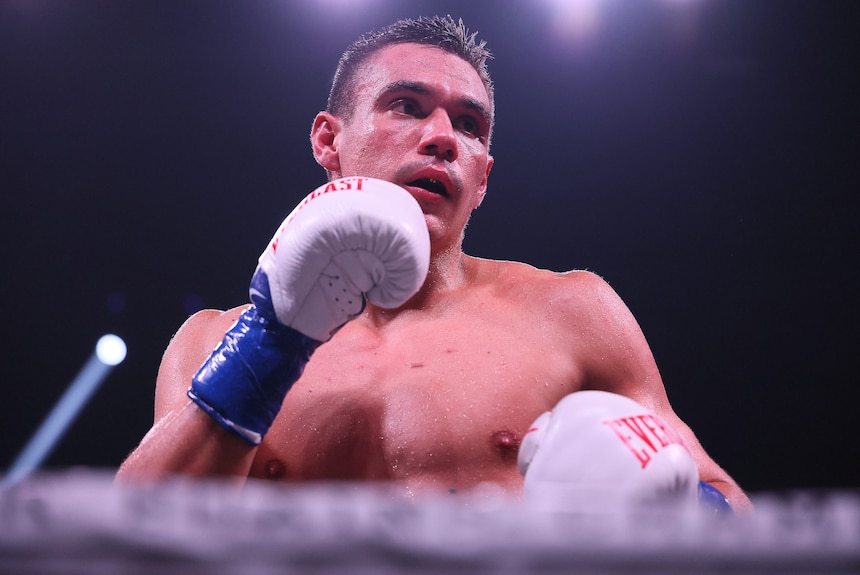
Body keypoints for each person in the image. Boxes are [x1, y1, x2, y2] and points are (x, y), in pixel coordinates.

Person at [116, 15, 752, 512]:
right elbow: (129, 542)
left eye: (470, 125)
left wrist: (683, 511)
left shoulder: (571, 312)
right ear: (328, 139)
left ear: (483, 178)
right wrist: (267, 344)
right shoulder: (210, 342)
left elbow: (729, 505)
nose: (444, 136)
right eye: (408, 106)